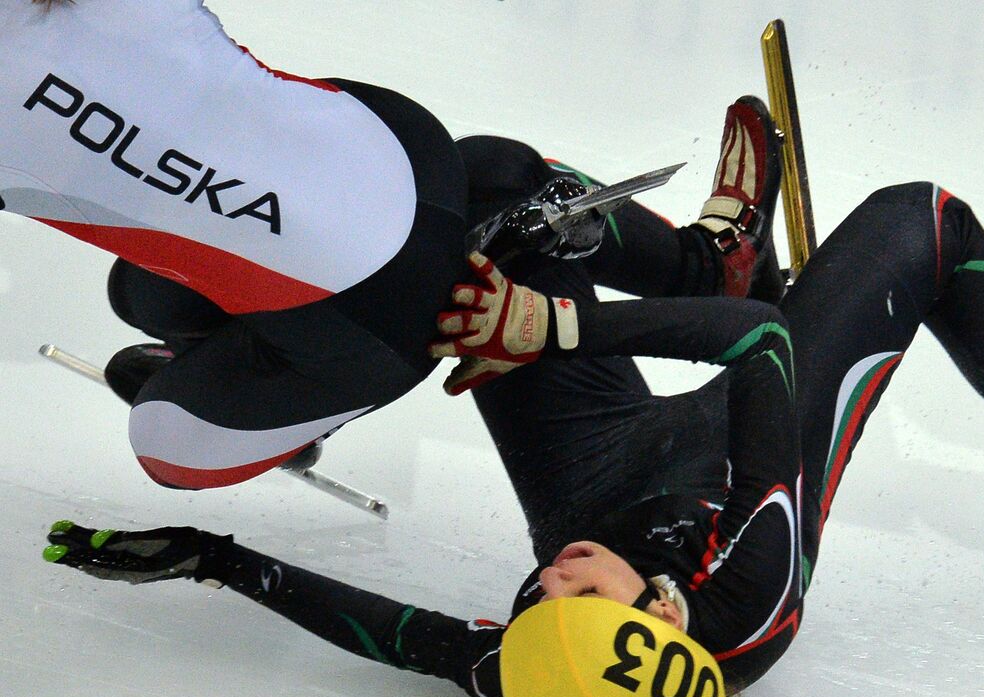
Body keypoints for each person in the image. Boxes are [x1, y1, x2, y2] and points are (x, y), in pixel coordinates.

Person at [42, 94, 984, 697]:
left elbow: (393, 635)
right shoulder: (745, 593)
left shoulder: (540, 664)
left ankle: (298, 378)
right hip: (751, 426)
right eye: (578, 594)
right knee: (919, 219)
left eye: (534, 603)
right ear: (662, 617)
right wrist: (553, 327)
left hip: (590, 463)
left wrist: (212, 556)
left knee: (493, 193)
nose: (548, 577)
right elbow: (760, 349)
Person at [1, 0, 775, 488]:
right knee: (140, 291)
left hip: (371, 320)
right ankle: (702, 263)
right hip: (404, 147)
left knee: (169, 441)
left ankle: (314, 389)